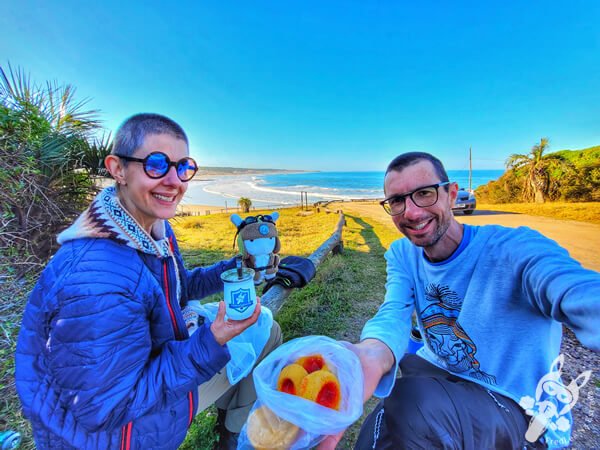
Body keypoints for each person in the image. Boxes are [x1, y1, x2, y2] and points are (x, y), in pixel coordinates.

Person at [15, 113, 281, 450]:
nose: (175, 181)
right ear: (117, 169)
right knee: (262, 334)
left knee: (266, 328)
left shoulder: (148, 229)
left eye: (183, 166)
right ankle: (235, 433)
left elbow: (179, 286)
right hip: (118, 435)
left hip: (135, 388)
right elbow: (109, 408)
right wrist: (210, 340)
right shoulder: (98, 282)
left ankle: (230, 431)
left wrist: (236, 267)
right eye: (156, 164)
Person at [319, 152, 599, 449]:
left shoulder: (513, 248)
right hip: (444, 380)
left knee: (411, 402)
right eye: (398, 201)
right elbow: (393, 312)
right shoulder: (403, 254)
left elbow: (571, 287)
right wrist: (372, 353)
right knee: (379, 427)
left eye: (424, 194)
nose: (411, 213)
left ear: (451, 194)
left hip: (518, 404)